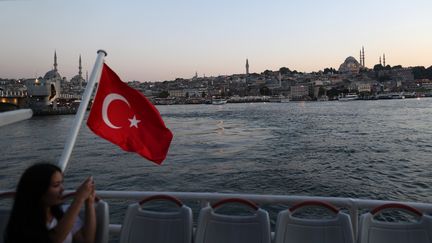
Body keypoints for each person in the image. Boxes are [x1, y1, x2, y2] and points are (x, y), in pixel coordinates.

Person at [4, 163, 96, 243]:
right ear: (38, 190)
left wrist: (89, 202)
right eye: (56, 185)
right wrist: (78, 200)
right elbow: (53, 240)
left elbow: (86, 241)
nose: (62, 189)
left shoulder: (64, 212)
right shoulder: (23, 222)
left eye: (61, 183)